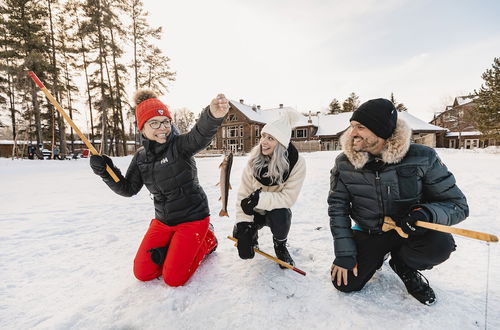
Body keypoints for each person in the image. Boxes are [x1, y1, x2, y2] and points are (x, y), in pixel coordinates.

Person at [328, 98, 468, 305]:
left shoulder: (423, 157)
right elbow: (337, 208)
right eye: (352, 127)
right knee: (345, 283)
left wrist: (425, 214)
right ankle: (378, 255)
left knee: (440, 246)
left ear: (382, 130)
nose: (352, 133)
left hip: (411, 230)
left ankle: (404, 264)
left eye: (360, 127)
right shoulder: (344, 163)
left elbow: (458, 205)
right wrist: (344, 253)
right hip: (370, 231)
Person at [90, 90, 229, 287]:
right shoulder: (140, 158)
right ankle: (176, 246)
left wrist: (212, 115)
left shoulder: (180, 146)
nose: (162, 128)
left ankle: (209, 238)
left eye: (165, 122)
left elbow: (200, 135)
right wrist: (105, 171)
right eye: (153, 123)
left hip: (193, 217)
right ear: (142, 128)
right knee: (143, 272)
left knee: (173, 279)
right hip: (163, 220)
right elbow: (128, 188)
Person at [233, 110, 306, 268]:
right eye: (263, 136)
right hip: (254, 210)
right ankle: (252, 235)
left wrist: (260, 199)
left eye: (270, 138)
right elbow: (243, 195)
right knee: (240, 233)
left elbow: (288, 198)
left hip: (275, 211)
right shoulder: (253, 161)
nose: (263, 142)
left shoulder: (297, 163)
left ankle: (280, 245)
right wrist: (243, 224)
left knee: (281, 215)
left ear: (280, 143)